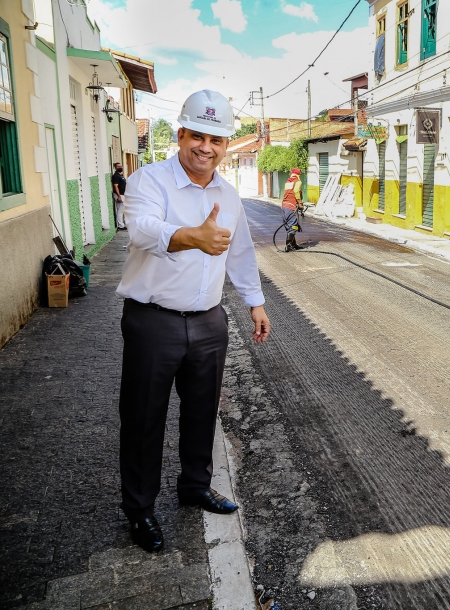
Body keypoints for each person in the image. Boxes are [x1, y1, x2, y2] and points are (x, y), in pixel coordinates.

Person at [116, 89, 271, 553]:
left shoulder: (227, 193)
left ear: (226, 145)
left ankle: (195, 487)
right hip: (153, 322)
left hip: (208, 321)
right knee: (143, 419)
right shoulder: (150, 180)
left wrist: (255, 302)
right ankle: (140, 512)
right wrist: (190, 237)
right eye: (197, 136)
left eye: (216, 139)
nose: (206, 147)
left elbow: (241, 251)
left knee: (203, 412)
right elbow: (140, 230)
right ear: (180, 134)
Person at [281, 167, 305, 251]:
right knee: (294, 226)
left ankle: (293, 244)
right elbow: (296, 192)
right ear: (298, 174)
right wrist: (300, 203)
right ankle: (288, 245)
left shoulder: (288, 182)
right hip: (291, 206)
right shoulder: (297, 182)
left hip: (284, 206)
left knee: (290, 225)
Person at [112, 162, 127, 230]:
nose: (120, 167)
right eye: (118, 166)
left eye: (121, 166)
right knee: (120, 211)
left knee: (123, 211)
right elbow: (116, 186)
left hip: (123, 195)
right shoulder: (115, 176)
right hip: (119, 195)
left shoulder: (121, 175)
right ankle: (121, 225)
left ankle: (123, 224)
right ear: (115, 168)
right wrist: (119, 196)